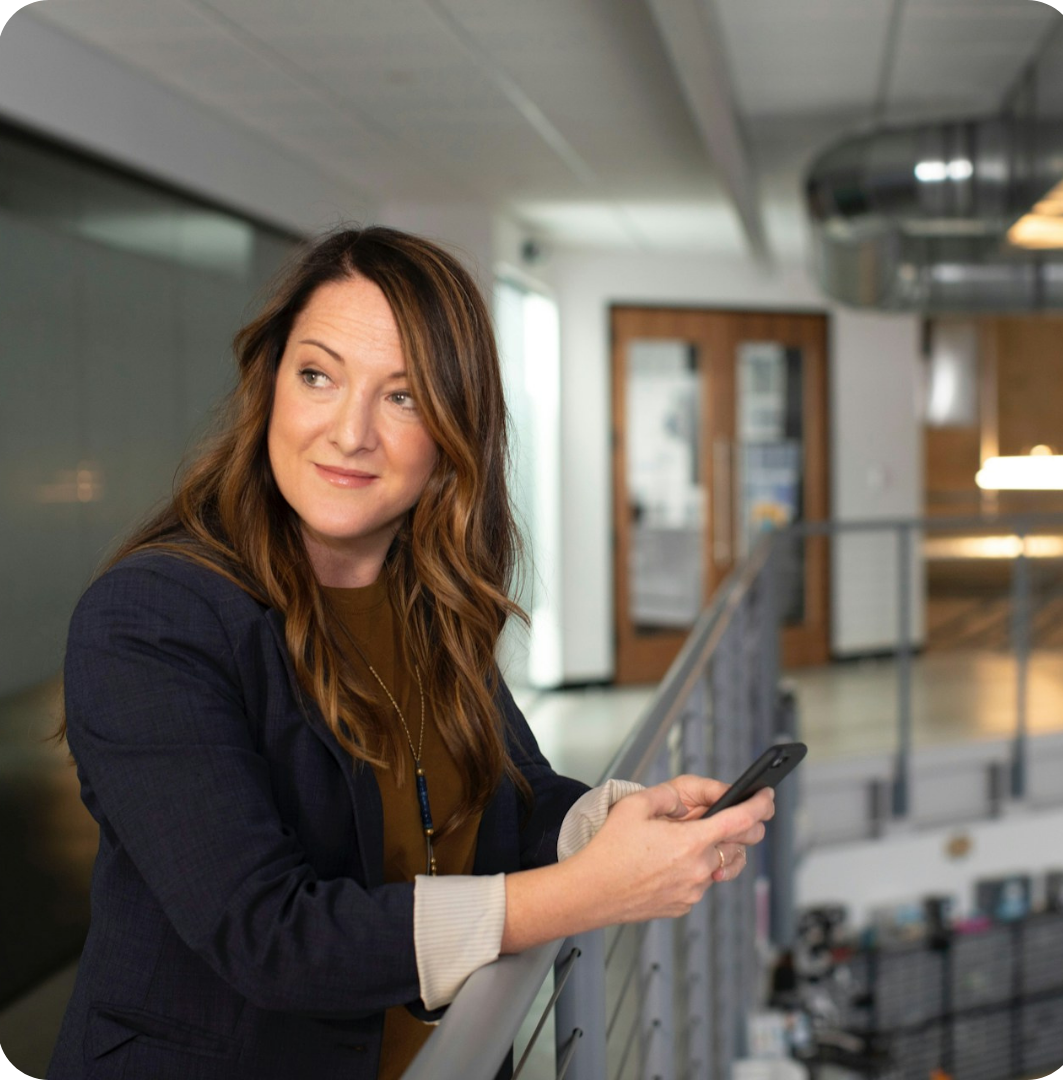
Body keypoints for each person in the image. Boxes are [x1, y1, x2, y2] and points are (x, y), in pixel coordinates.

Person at [47, 226, 774, 1080]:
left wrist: (610, 828)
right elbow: (271, 937)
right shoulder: (151, 619)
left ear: (453, 432)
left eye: (403, 397)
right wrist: (588, 891)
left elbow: (513, 792)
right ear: (270, 385)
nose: (350, 432)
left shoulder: (427, 595)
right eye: (318, 375)